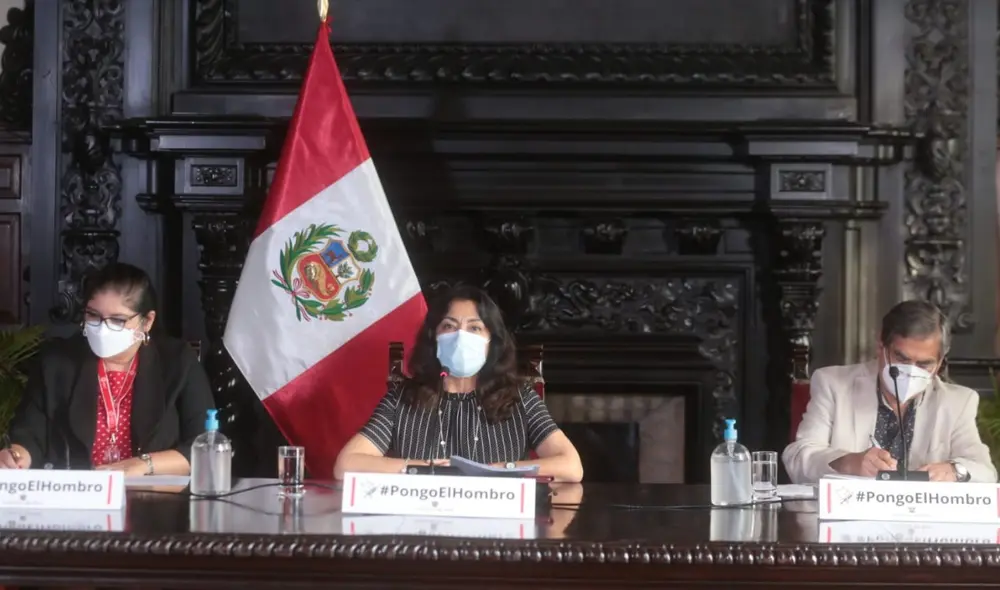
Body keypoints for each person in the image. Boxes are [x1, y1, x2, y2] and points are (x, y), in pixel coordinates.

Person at [334, 285, 584, 482]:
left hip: (498, 534)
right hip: (420, 533)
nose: (460, 337)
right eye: (449, 327)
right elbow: (346, 465)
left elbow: (571, 466)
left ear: (492, 342)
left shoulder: (519, 397)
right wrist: (429, 469)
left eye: (474, 328)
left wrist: (497, 472)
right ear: (434, 339)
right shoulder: (403, 397)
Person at [0, 263, 214, 476]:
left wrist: (142, 465)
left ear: (147, 321)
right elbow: (29, 435)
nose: (103, 328)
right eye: (93, 316)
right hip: (78, 495)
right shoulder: (56, 361)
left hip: (154, 496)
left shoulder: (177, 361)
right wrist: (16, 457)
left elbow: (205, 445)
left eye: (117, 320)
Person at [783, 300, 996, 484]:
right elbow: (797, 457)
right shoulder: (834, 385)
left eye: (924, 364)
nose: (911, 371)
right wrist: (848, 462)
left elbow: (985, 472)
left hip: (923, 523)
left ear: (940, 362)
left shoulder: (957, 402)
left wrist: (954, 470)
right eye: (902, 359)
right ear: (881, 346)